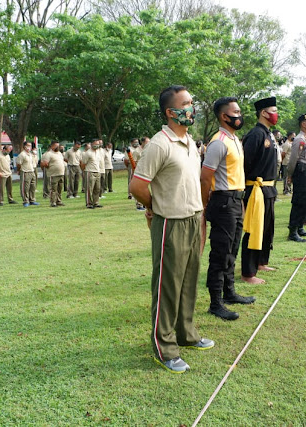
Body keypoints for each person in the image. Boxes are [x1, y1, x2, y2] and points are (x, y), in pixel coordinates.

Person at [129, 85, 214, 374]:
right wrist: (157, 206)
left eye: (192, 102)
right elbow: (137, 186)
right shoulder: (159, 143)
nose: (192, 107)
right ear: (170, 111)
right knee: (168, 286)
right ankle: (164, 348)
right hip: (171, 222)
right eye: (187, 103)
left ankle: (186, 334)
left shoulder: (189, 141)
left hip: (193, 218)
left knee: (189, 281)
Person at [200, 97, 255, 321]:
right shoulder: (218, 142)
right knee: (220, 254)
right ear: (224, 116)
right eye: (236, 112)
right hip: (223, 202)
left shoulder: (234, 139)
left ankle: (229, 292)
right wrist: (204, 206)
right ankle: (215, 303)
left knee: (232, 249)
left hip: (235, 200)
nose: (240, 115)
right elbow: (205, 177)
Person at [240, 96, 281, 285]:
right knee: (253, 230)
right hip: (255, 189)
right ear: (264, 113)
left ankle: (261, 261)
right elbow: (245, 162)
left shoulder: (269, 134)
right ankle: (248, 272)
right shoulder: (256, 134)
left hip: (268, 189)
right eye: (273, 111)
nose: (276, 115)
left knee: (266, 229)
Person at [286, 114, 306, 242]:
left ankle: (300, 227)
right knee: (299, 201)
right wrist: (289, 175)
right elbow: (293, 159)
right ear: (304, 124)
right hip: (302, 172)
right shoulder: (299, 139)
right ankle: (293, 231)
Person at [40, 141, 66, 207]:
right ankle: (53, 202)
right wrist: (49, 168)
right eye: (56, 146)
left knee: (59, 189)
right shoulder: (48, 154)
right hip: (53, 174)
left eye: (58, 145)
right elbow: (44, 163)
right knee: (53, 189)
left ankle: (59, 201)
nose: (57, 147)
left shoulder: (59, 153)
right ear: (52, 146)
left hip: (61, 173)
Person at [80, 139, 104, 209]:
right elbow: (83, 164)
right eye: (95, 144)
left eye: (98, 144)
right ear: (92, 144)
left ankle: (96, 202)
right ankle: (89, 203)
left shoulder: (98, 152)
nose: (97, 146)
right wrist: (84, 171)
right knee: (89, 189)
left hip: (97, 171)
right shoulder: (88, 153)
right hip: (90, 172)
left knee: (97, 188)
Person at [16, 141, 39, 207]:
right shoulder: (22, 154)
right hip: (25, 172)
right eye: (28, 145)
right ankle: (25, 201)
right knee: (25, 188)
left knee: (32, 187)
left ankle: (32, 200)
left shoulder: (31, 154)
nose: (29, 147)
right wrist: (19, 170)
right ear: (24, 146)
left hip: (32, 171)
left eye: (30, 146)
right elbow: (18, 164)